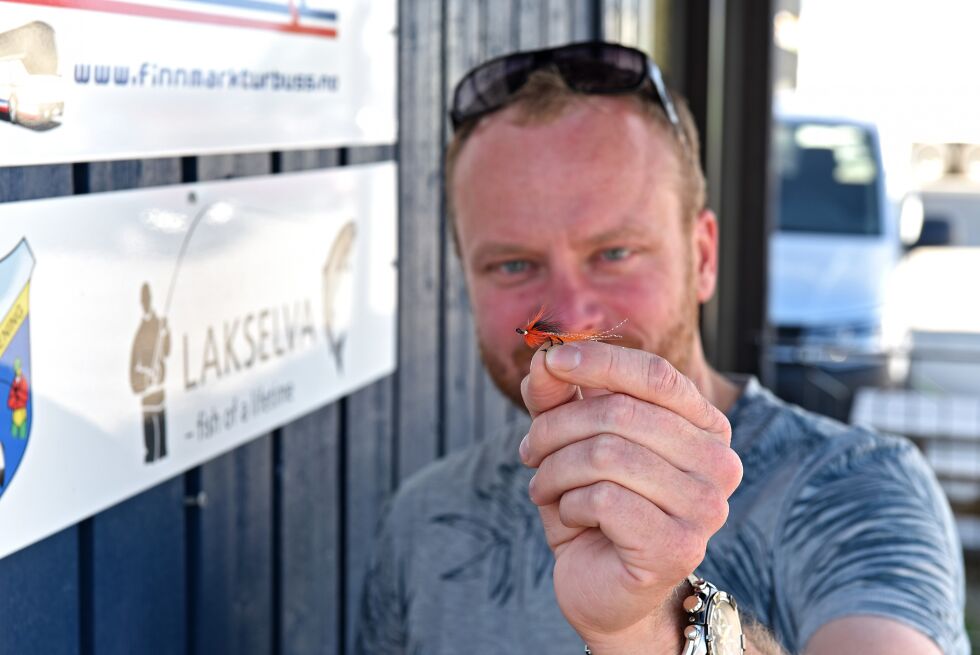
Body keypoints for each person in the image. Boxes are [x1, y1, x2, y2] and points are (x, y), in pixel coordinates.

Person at [356, 42, 967, 654]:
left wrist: (647, 629)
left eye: (615, 253)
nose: (573, 310)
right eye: (513, 264)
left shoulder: (858, 487)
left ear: (702, 257)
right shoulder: (421, 520)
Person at [130, 282, 171, 463]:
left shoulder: (159, 325)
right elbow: (134, 363)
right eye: (142, 300)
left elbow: (167, 351)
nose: (144, 303)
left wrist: (166, 334)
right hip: (146, 393)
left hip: (159, 392)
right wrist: (144, 376)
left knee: (161, 448)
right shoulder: (140, 331)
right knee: (150, 451)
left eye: (147, 299)